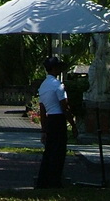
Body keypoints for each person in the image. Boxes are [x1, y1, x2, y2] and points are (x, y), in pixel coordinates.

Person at [36, 56, 77, 188]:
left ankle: (44, 180)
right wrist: (74, 125)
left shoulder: (43, 86)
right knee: (59, 152)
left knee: (49, 152)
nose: (60, 69)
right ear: (54, 68)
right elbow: (65, 107)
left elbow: (42, 110)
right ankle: (55, 180)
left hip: (50, 119)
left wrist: (44, 129)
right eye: (58, 67)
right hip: (58, 119)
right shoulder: (57, 85)